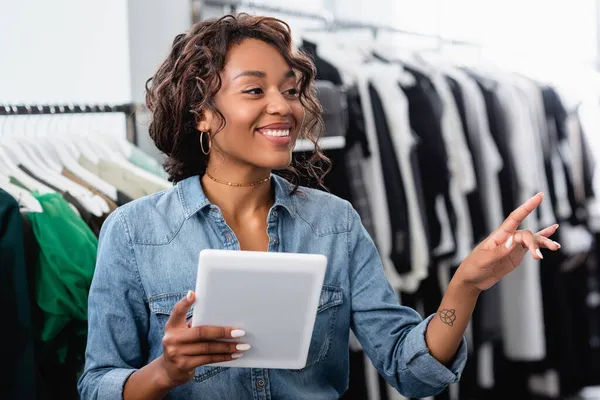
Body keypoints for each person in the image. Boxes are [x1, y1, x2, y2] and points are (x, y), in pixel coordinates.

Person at [77, 14, 560, 400]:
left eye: (290, 90)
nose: (285, 107)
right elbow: (96, 384)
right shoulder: (133, 231)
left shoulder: (334, 223)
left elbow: (411, 372)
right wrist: (164, 373)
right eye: (254, 90)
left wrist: (465, 285)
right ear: (201, 111)